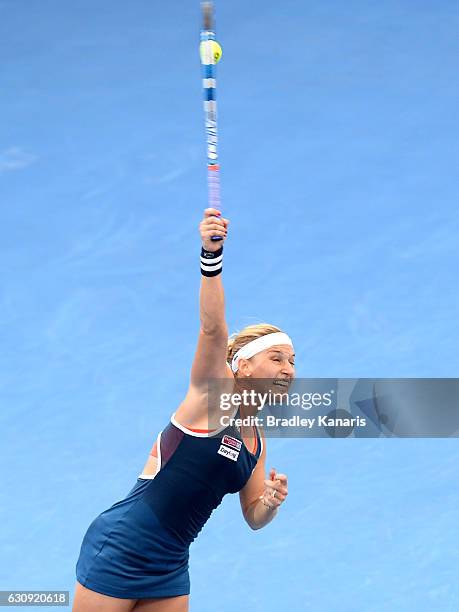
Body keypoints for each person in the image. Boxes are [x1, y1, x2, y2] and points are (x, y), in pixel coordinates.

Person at [72, 208, 295, 611]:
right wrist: (211, 256)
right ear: (242, 364)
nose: (288, 369)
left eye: (293, 361)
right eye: (277, 358)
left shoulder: (256, 444)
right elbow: (213, 328)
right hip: (122, 546)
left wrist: (271, 502)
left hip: (171, 565)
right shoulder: (211, 398)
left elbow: (253, 516)